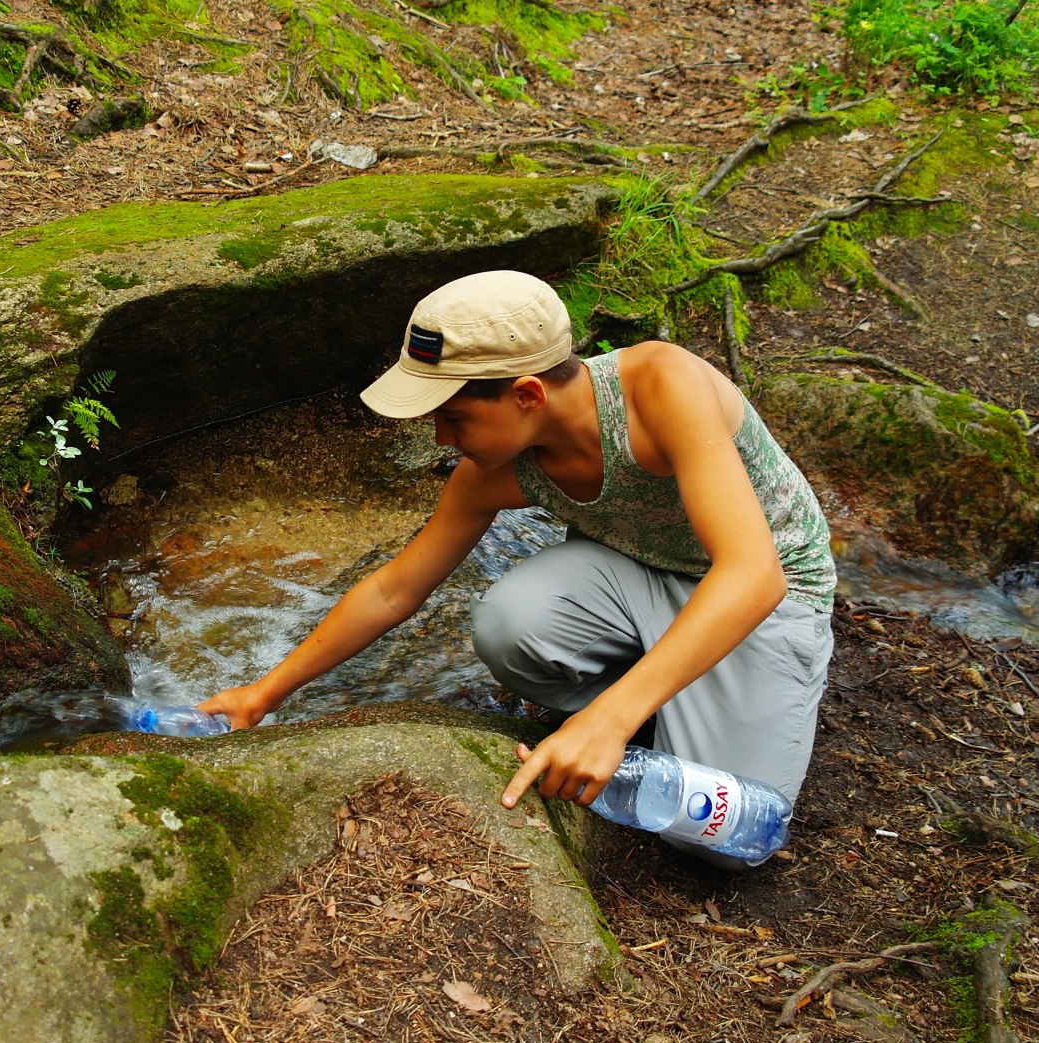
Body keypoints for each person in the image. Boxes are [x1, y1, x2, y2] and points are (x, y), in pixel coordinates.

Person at [201, 269, 835, 847]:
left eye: (452, 417)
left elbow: (754, 574)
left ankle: (645, 704)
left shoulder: (663, 386)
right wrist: (264, 693)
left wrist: (610, 720)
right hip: (631, 573)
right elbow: (396, 589)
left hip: (766, 591)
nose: (441, 438)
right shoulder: (493, 473)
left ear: (528, 394)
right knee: (511, 622)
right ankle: (657, 696)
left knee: (725, 836)